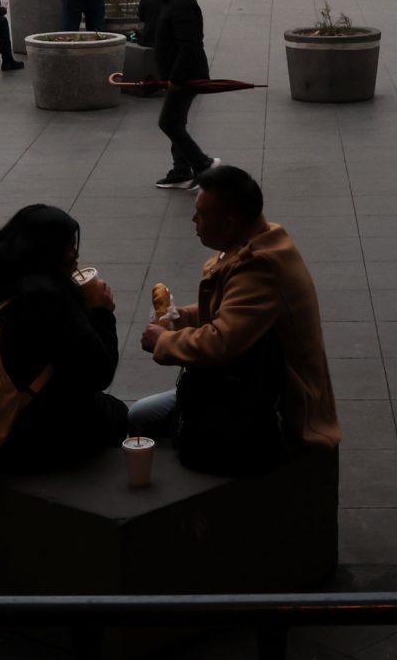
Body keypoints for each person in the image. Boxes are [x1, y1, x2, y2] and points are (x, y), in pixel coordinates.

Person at [128, 166, 339, 468]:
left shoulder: (260, 267)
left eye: (199, 214)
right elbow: (235, 311)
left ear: (228, 223)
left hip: (264, 401)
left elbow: (222, 342)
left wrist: (164, 341)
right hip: (238, 380)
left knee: (142, 420)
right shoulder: (254, 240)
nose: (193, 220)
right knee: (142, 413)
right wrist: (183, 316)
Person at [0, 205, 126, 470]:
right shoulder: (47, 299)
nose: (75, 255)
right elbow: (99, 372)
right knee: (117, 413)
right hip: (23, 434)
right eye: (67, 248)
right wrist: (100, 311)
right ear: (47, 254)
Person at [149, 0, 218, 190]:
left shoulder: (182, 4)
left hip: (186, 76)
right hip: (178, 76)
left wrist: (176, 79)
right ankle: (181, 171)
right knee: (176, 121)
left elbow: (189, 46)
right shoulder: (172, 1)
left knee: (168, 122)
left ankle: (202, 163)